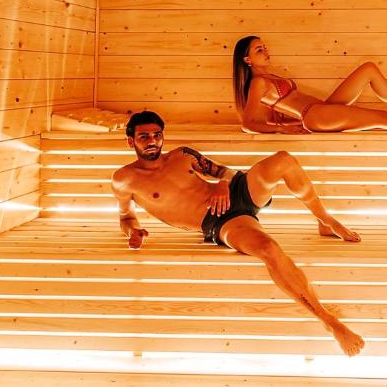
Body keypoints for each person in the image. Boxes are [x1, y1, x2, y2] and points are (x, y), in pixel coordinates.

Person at [111, 110, 365, 356]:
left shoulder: (182, 155)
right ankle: (329, 321)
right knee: (268, 249)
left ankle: (324, 219)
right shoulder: (124, 179)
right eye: (144, 136)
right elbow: (126, 218)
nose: (152, 141)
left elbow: (226, 172)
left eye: (157, 135)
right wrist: (133, 231)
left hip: (238, 191)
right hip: (222, 221)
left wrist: (223, 184)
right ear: (131, 141)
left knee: (283, 160)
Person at [232, 35, 387, 133]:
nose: (266, 51)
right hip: (315, 115)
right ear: (247, 60)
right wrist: (283, 129)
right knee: (384, 118)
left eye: (265, 47)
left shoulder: (271, 77)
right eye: (259, 50)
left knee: (368, 69)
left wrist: (290, 124)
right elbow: (248, 124)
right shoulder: (258, 83)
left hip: (321, 109)